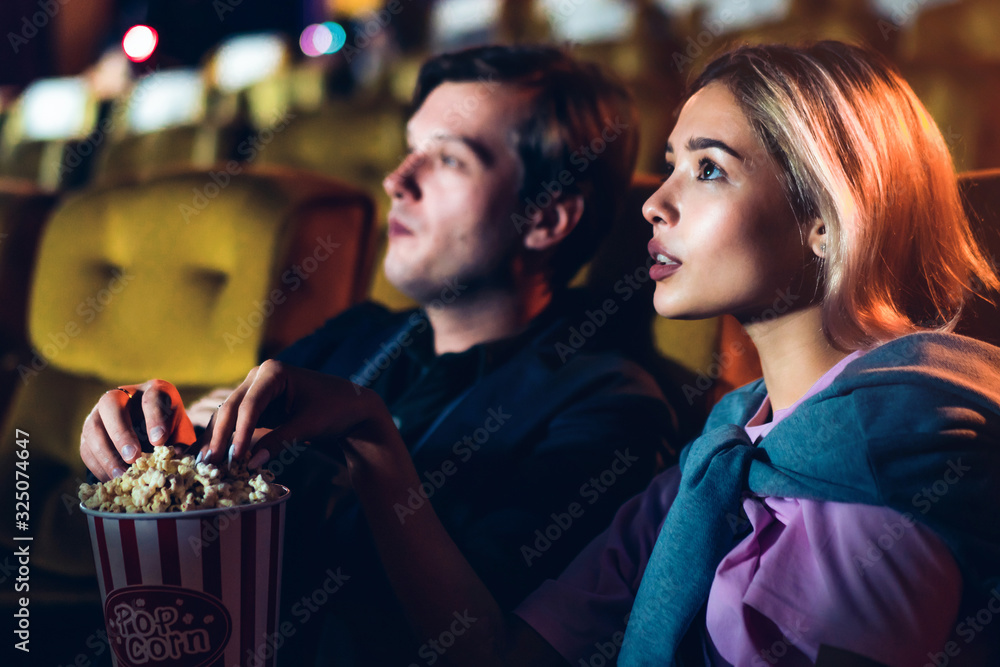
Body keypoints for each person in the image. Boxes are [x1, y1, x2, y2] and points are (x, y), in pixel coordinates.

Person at [200, 41, 1000, 666]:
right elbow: (498, 653)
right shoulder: (721, 450)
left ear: (824, 217)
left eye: (709, 169)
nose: (654, 202)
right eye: (674, 162)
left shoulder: (891, 465)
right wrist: (371, 439)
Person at [80, 45, 681, 664]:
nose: (397, 180)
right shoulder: (359, 333)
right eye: (410, 147)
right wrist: (152, 437)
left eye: (449, 158)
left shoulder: (610, 405)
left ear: (546, 218)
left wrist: (370, 437)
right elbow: (215, 462)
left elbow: (484, 650)